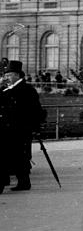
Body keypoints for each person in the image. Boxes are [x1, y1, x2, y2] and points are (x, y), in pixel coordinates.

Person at [0, 61, 45, 192]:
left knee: (17, 156)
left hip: (20, 129)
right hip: (11, 129)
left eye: (8, 75)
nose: (6, 78)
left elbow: (36, 110)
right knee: (17, 156)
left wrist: (35, 128)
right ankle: (23, 182)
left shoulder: (26, 89)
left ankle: (14, 182)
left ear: (17, 75)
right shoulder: (10, 89)